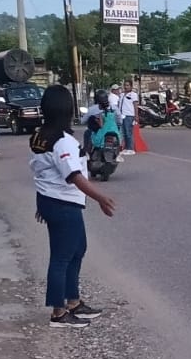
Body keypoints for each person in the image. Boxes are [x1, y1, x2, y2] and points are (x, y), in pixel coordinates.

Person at [30, 85, 118, 328]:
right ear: (67, 109)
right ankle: (58, 312)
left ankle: (73, 301)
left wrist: (43, 202)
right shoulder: (61, 141)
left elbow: (42, 171)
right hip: (62, 203)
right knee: (62, 256)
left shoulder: (41, 135)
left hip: (53, 200)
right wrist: (101, 197)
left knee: (77, 249)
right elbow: (74, 176)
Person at [119, 80, 139, 155]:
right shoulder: (122, 94)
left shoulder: (133, 95)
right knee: (123, 133)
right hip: (122, 115)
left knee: (128, 132)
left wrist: (136, 115)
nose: (126, 87)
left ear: (131, 86)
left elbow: (135, 105)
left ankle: (131, 148)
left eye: (127, 85)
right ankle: (126, 148)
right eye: (125, 85)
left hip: (129, 115)